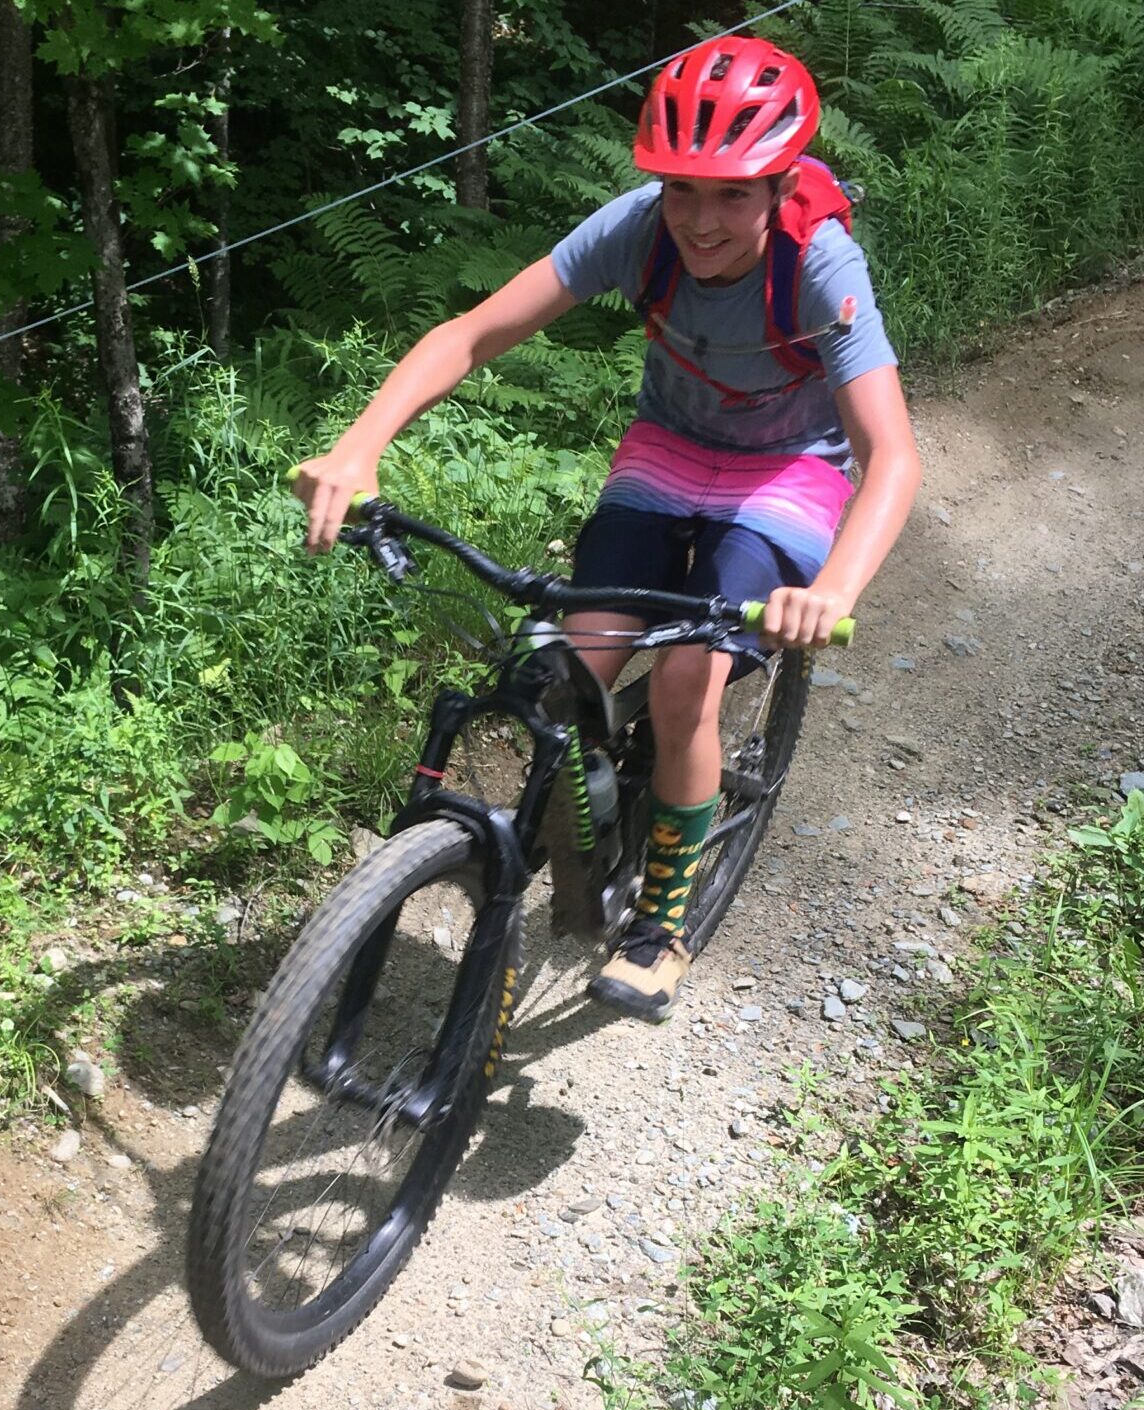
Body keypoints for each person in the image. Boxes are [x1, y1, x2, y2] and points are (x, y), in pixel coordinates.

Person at [293, 35, 921, 1021]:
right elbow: (471, 333)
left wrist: (832, 589)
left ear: (780, 186)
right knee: (564, 669)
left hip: (785, 475)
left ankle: (661, 919)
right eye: (682, 190)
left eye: (733, 196)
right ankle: (575, 825)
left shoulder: (819, 264)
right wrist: (359, 445)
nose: (701, 221)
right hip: (669, 451)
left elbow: (891, 455)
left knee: (684, 680)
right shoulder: (639, 230)